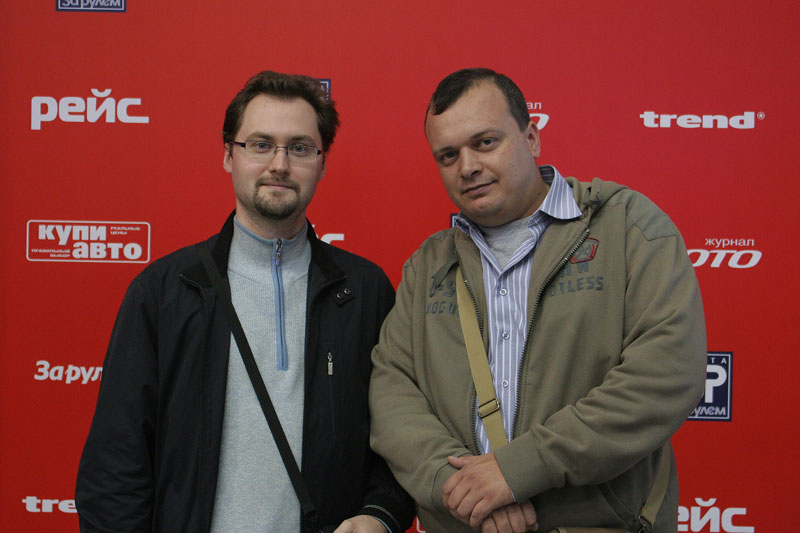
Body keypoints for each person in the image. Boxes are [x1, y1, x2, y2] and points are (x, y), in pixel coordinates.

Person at [369, 68, 707, 533]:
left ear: (531, 138)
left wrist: (518, 470)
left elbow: (665, 373)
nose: (467, 166)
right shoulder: (428, 264)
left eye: (485, 142)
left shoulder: (628, 227)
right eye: (448, 155)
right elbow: (393, 391)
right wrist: (460, 488)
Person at [76, 70, 413, 533]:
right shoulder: (164, 291)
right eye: (260, 144)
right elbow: (115, 465)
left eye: (299, 148)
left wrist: (380, 516)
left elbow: (399, 435)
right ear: (228, 156)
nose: (280, 164)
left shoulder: (364, 290)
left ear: (322, 163)